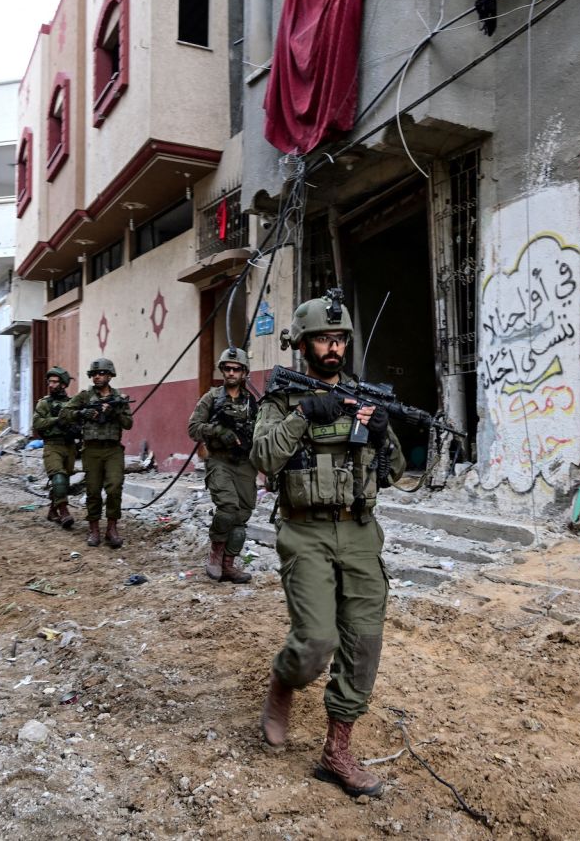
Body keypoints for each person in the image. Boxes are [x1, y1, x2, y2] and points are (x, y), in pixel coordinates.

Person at [250, 289, 405, 799]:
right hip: (305, 531)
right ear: (304, 345)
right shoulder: (279, 400)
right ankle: (283, 679)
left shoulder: (367, 397)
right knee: (317, 641)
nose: (333, 347)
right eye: (323, 339)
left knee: (363, 643)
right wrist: (304, 416)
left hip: (360, 530)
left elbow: (398, 472)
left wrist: (382, 436)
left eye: (339, 339)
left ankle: (337, 750)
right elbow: (265, 459)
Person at [187, 347, 258, 583]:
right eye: (227, 368)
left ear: (244, 372)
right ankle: (215, 553)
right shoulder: (212, 398)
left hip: (245, 463)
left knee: (242, 514)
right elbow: (193, 428)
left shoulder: (252, 403)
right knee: (227, 508)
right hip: (219, 460)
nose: (231, 372)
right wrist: (217, 430)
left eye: (236, 369)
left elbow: (262, 432)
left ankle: (229, 563)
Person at [61, 357, 133, 548]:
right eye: (94, 374)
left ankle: (112, 528)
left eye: (101, 373)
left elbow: (128, 424)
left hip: (113, 449)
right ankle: (94, 529)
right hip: (91, 450)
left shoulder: (118, 398)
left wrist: (115, 411)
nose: (97, 377)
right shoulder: (84, 397)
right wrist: (81, 413)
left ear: (110, 375)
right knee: (93, 490)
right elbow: (65, 414)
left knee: (115, 487)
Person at [33, 366, 79, 529]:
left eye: (55, 382)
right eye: (49, 381)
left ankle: (53, 511)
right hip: (52, 446)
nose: (51, 385)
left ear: (64, 384)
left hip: (70, 446)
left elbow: (80, 422)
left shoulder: (73, 403)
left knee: (63, 482)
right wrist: (56, 420)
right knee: (58, 478)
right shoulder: (44, 403)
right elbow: (37, 423)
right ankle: (64, 512)